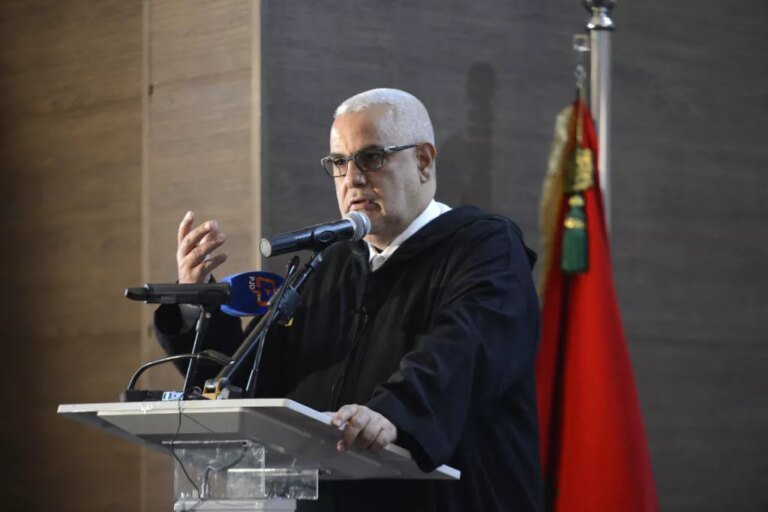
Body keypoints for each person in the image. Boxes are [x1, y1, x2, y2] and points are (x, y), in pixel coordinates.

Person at [155, 88, 543, 511]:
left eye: (371, 158)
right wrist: (197, 304)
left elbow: (462, 351)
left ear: (423, 161)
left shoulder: (485, 249)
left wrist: (395, 413)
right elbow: (252, 382)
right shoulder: (328, 266)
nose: (352, 178)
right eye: (339, 163)